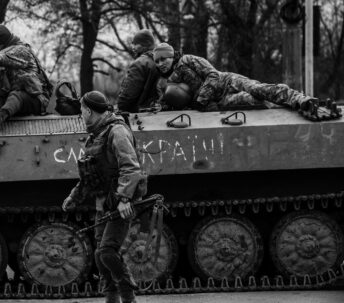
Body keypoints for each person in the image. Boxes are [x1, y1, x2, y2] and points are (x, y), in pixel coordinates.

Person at [62, 91, 146, 303]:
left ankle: (128, 296)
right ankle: (111, 298)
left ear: (89, 111)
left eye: (82, 111)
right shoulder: (96, 135)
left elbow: (131, 167)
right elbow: (90, 176)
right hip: (104, 201)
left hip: (119, 201)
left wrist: (125, 199)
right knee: (101, 255)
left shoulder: (116, 131)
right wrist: (74, 198)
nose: (81, 115)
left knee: (107, 251)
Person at [152, 42, 317, 112]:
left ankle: (297, 99)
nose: (160, 63)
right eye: (157, 61)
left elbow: (213, 75)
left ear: (172, 56)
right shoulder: (165, 83)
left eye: (163, 59)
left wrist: (201, 101)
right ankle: (283, 105)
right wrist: (159, 107)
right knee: (252, 101)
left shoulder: (187, 60)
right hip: (220, 101)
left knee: (257, 89)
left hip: (228, 82)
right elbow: (169, 101)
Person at [117, 29, 161, 113]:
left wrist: (121, 106)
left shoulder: (139, 64)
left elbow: (128, 95)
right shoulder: (162, 61)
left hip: (142, 114)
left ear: (145, 45)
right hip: (160, 111)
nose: (133, 47)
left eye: (135, 44)